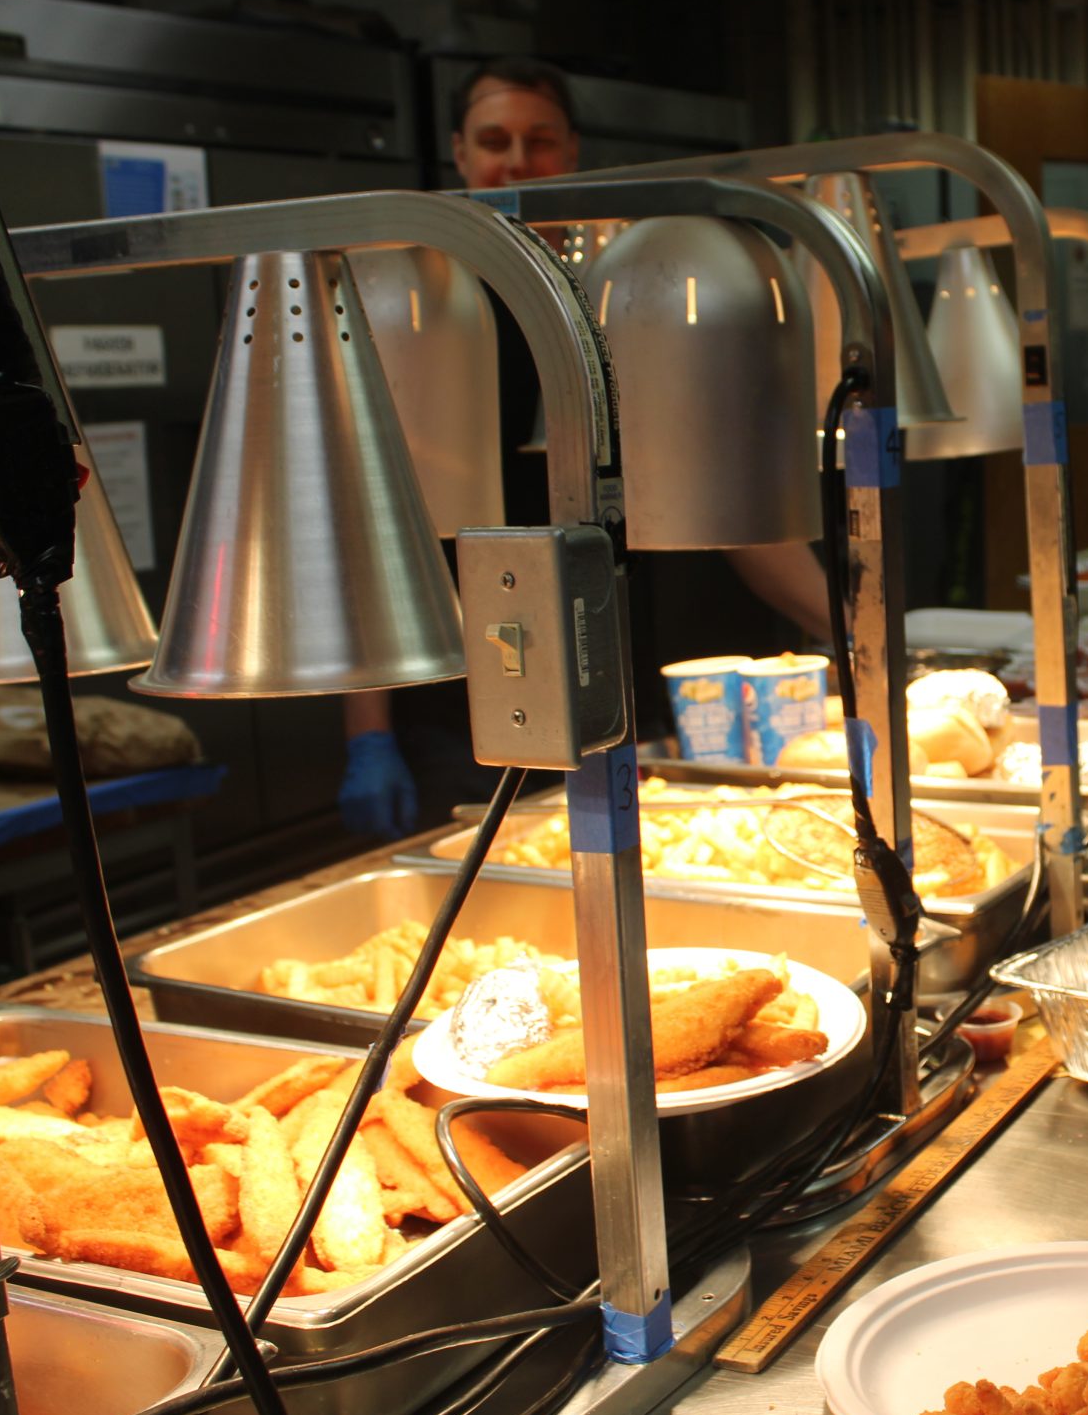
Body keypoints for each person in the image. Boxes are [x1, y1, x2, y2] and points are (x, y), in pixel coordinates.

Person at [338, 57, 833, 838]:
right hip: (463, 694)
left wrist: (851, 625)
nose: (515, 161)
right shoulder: (428, 313)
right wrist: (367, 730)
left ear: (570, 153)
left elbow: (715, 495)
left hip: (617, 684)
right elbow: (373, 529)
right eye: (494, 140)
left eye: (538, 141)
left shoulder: (628, 292)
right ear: (461, 156)